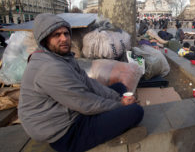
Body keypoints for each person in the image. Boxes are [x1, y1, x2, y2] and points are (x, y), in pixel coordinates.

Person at [18, 13, 145, 152]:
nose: (64, 39)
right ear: (44, 39)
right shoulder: (50, 68)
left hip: (69, 112)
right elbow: (85, 103)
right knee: (135, 111)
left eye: (66, 33)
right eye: (57, 35)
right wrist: (120, 105)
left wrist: (118, 98)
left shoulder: (62, 57)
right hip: (65, 133)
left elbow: (89, 83)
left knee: (120, 88)